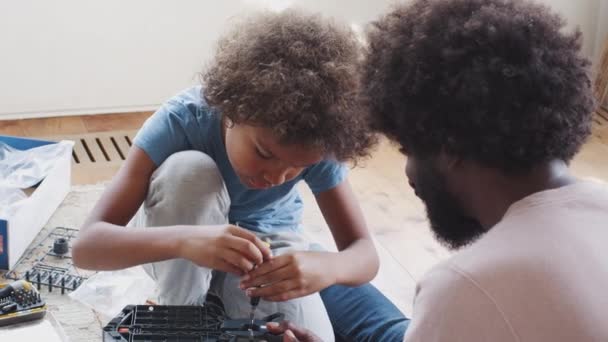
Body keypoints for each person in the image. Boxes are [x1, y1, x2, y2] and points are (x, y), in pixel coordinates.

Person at [268, 0, 608, 341]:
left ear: (448, 148)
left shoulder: (467, 287)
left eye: (408, 148)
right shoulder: (600, 198)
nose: (409, 173)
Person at [72, 9, 407, 341]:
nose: (276, 178)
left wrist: (328, 267)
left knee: (306, 335)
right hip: (179, 237)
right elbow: (86, 248)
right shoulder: (180, 121)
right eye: (264, 153)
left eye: (295, 169)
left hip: (264, 250)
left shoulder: (319, 142)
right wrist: (186, 240)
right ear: (232, 110)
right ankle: (181, 314)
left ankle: (220, 301)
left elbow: (364, 253)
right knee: (189, 171)